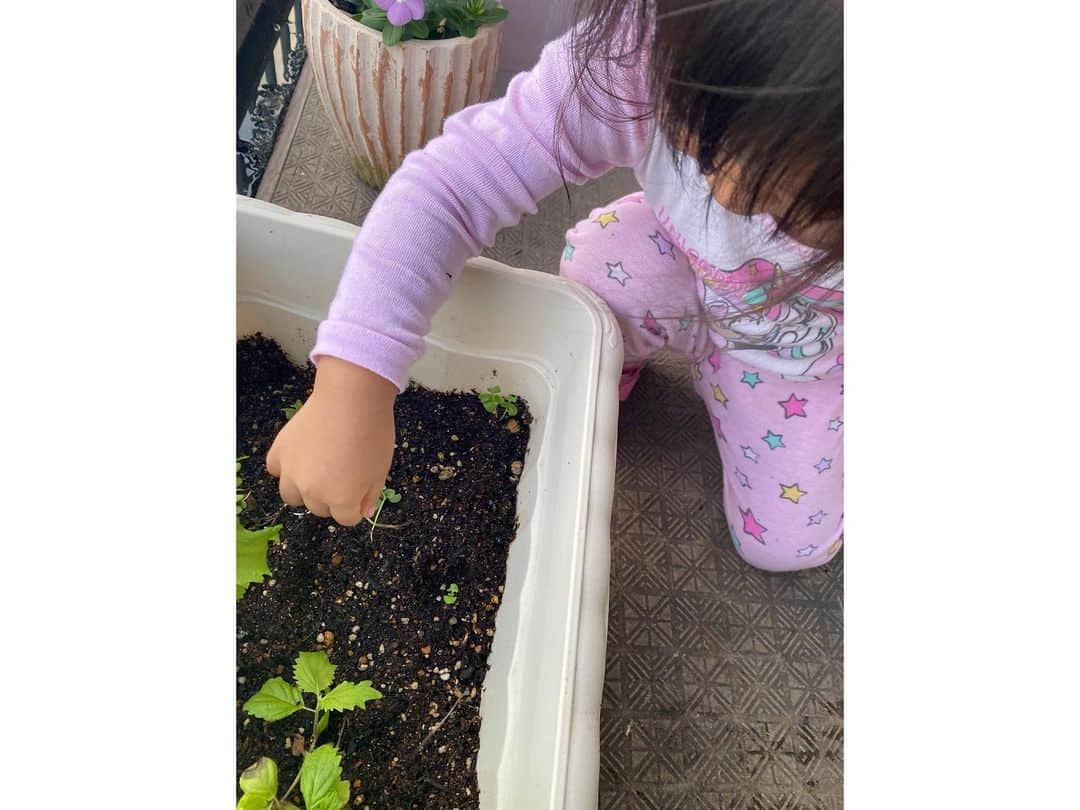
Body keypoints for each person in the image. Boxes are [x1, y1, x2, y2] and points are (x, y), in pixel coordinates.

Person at [266, 0, 843, 572]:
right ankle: (606, 371)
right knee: (598, 268)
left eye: (791, 204)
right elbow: (452, 184)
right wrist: (353, 384)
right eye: (700, 138)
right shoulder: (649, 46)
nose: (729, 196)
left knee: (780, 547)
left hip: (806, 358)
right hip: (689, 271)